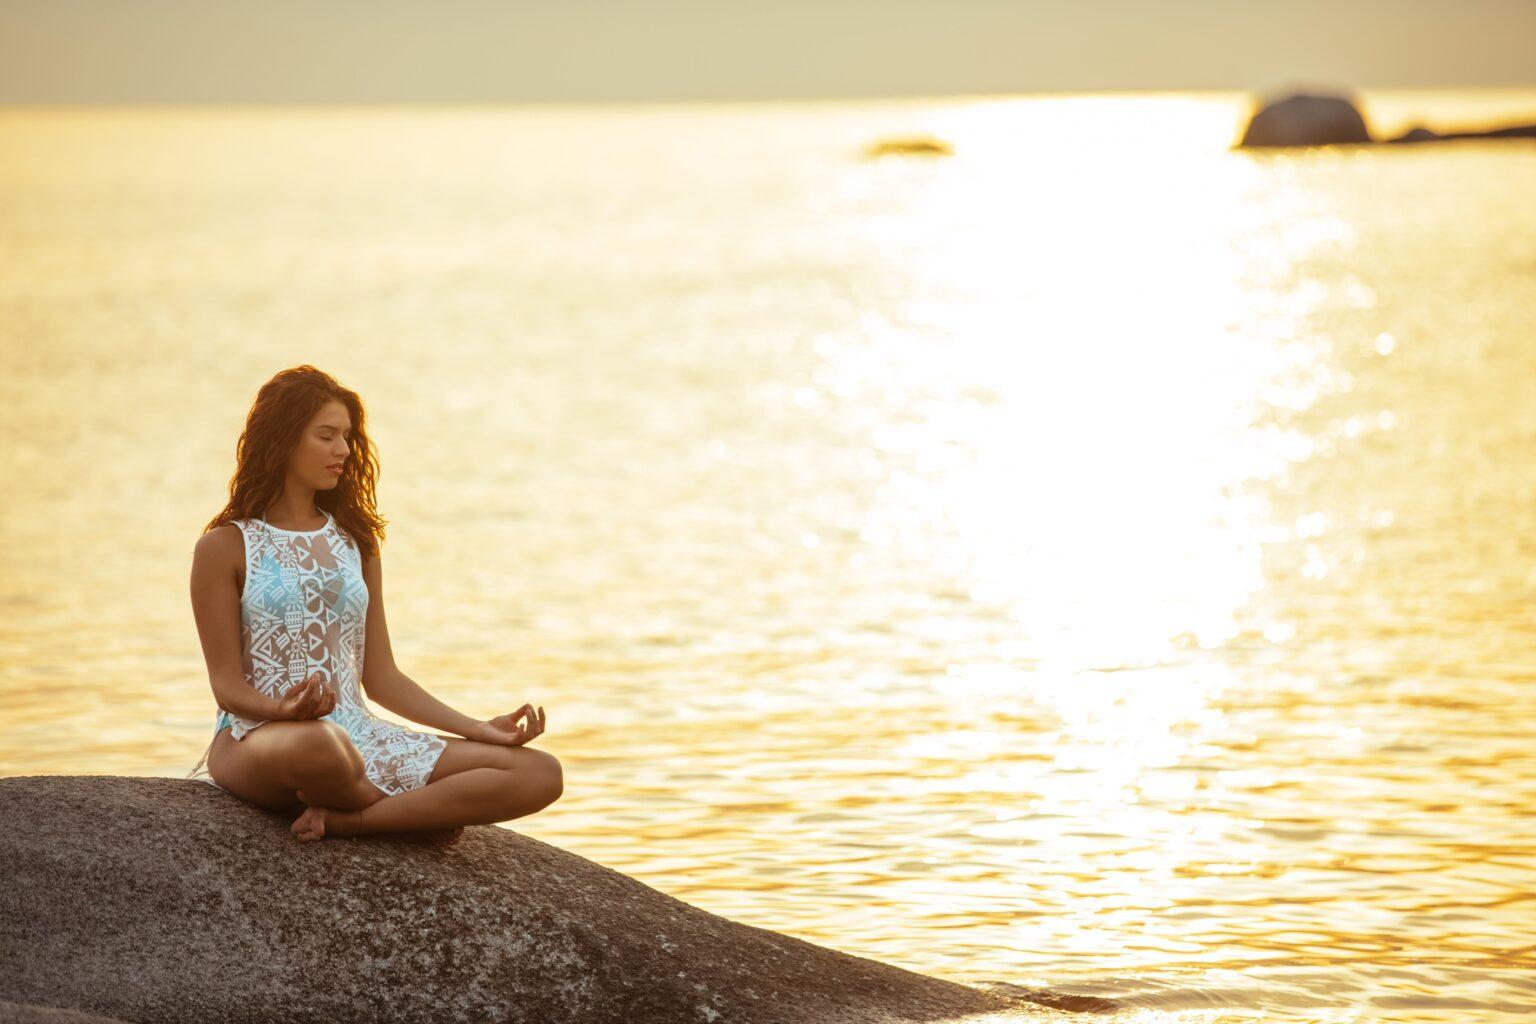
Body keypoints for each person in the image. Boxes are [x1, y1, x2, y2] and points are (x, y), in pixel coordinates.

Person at [185, 365, 561, 841]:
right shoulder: (224, 547)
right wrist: (284, 709)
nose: (343, 450)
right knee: (320, 744)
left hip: (356, 735)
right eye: (326, 435)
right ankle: (418, 814)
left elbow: (380, 676)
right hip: (258, 737)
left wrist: (479, 729)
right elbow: (226, 686)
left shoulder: (356, 542)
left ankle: (353, 820)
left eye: (346, 436)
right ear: (282, 439)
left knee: (540, 772)